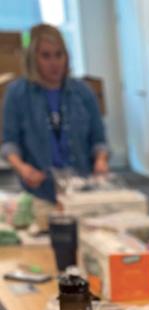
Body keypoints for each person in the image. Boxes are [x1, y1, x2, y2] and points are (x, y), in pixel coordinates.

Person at [1, 24, 109, 204]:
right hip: (38, 190)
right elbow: (9, 143)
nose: (55, 63)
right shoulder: (17, 94)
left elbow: (99, 140)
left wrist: (101, 161)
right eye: (46, 56)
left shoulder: (83, 92)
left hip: (81, 188)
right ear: (32, 59)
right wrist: (22, 168)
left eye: (59, 55)